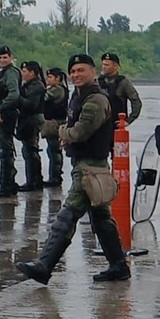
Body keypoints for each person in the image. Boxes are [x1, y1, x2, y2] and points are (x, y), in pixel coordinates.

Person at [15, 53, 130, 285]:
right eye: (73, 71)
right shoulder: (78, 97)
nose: (76, 75)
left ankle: (45, 265)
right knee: (101, 219)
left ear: (93, 72)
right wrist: (66, 133)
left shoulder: (95, 100)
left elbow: (79, 132)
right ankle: (119, 265)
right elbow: (72, 128)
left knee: (67, 215)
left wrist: (62, 132)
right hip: (85, 164)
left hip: (90, 167)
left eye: (81, 70)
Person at [0, 46, 22, 198]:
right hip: (2, 112)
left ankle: (6, 184)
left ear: (11, 57)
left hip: (6, 114)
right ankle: (8, 183)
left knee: (5, 150)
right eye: (0, 57)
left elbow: (14, 94)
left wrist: (0, 108)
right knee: (3, 149)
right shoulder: (4, 73)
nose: (2, 60)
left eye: (5, 57)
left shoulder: (11, 73)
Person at [16, 61, 46, 192]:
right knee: (29, 150)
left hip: (32, 120)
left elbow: (31, 104)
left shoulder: (36, 86)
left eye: (25, 71)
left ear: (32, 73)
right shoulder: (29, 85)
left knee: (30, 150)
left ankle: (33, 181)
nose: (23, 74)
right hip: (28, 119)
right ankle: (34, 179)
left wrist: (17, 97)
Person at [96, 53, 143, 126]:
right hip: (99, 124)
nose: (103, 67)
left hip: (116, 124)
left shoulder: (123, 82)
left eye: (107, 65)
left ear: (115, 66)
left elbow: (136, 101)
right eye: (103, 64)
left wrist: (129, 120)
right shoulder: (98, 81)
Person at [42, 68, 68, 188]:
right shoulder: (57, 89)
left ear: (58, 78)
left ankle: (55, 177)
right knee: (52, 150)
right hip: (54, 121)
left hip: (55, 122)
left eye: (50, 77)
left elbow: (44, 97)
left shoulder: (57, 89)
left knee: (54, 150)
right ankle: (54, 176)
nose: (48, 79)